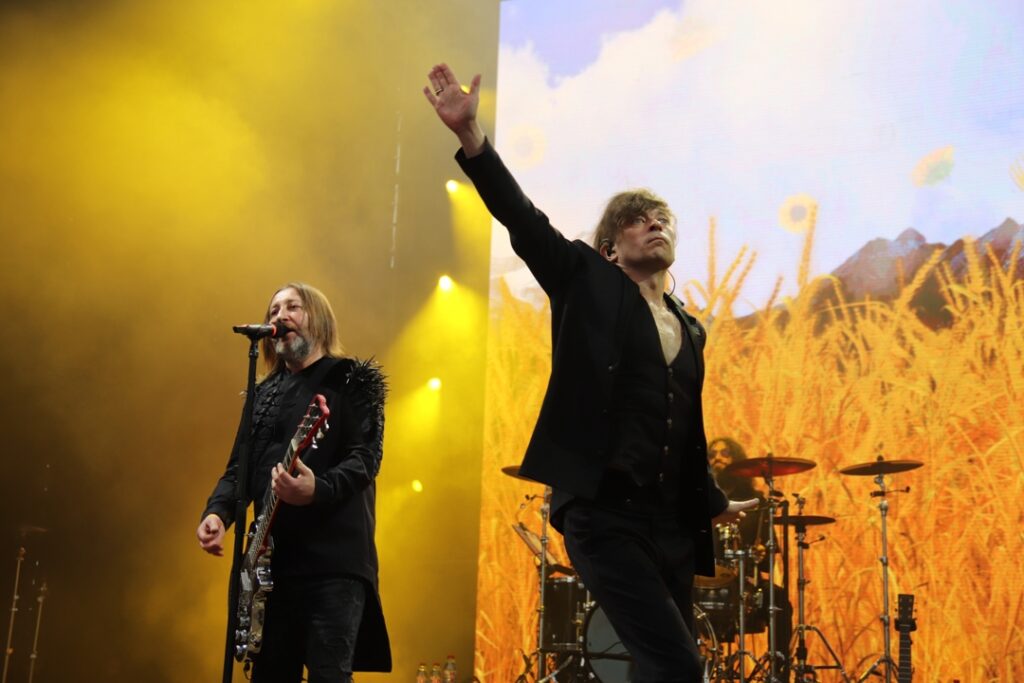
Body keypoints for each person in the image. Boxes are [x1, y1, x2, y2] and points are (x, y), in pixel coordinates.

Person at [424, 64, 757, 682]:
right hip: (604, 514)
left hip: (670, 525)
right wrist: (472, 137)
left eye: (662, 219)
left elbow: (682, 424)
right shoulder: (585, 281)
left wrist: (710, 500)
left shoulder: (691, 328)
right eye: (638, 219)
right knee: (681, 669)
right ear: (609, 249)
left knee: (657, 673)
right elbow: (523, 219)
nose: (655, 224)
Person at [196, 282, 391, 683]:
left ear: (318, 319)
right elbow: (238, 470)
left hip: (333, 565)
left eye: (292, 307)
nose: (280, 317)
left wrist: (317, 488)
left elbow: (366, 459)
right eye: (273, 311)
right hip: (272, 569)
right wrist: (217, 513)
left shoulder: (351, 379)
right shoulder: (264, 394)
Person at [707, 437, 794, 681]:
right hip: (704, 581)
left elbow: (768, 561)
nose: (718, 458)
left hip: (744, 583)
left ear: (738, 461)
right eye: (712, 454)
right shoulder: (699, 499)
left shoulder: (757, 503)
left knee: (779, 599)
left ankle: (779, 671)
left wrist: (763, 553)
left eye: (725, 453)